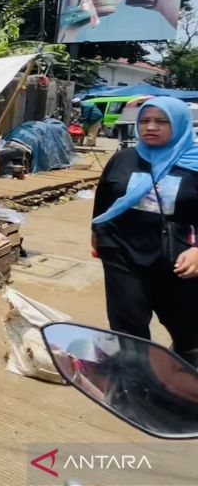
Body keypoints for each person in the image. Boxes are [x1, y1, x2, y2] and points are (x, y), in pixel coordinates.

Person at [92, 97, 198, 366]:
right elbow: (105, 199)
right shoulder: (123, 159)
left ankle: (183, 379)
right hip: (122, 253)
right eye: (145, 121)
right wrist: (99, 235)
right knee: (128, 328)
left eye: (162, 121)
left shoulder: (194, 164)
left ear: (181, 124)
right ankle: (136, 387)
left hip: (178, 258)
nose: (151, 127)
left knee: (188, 328)